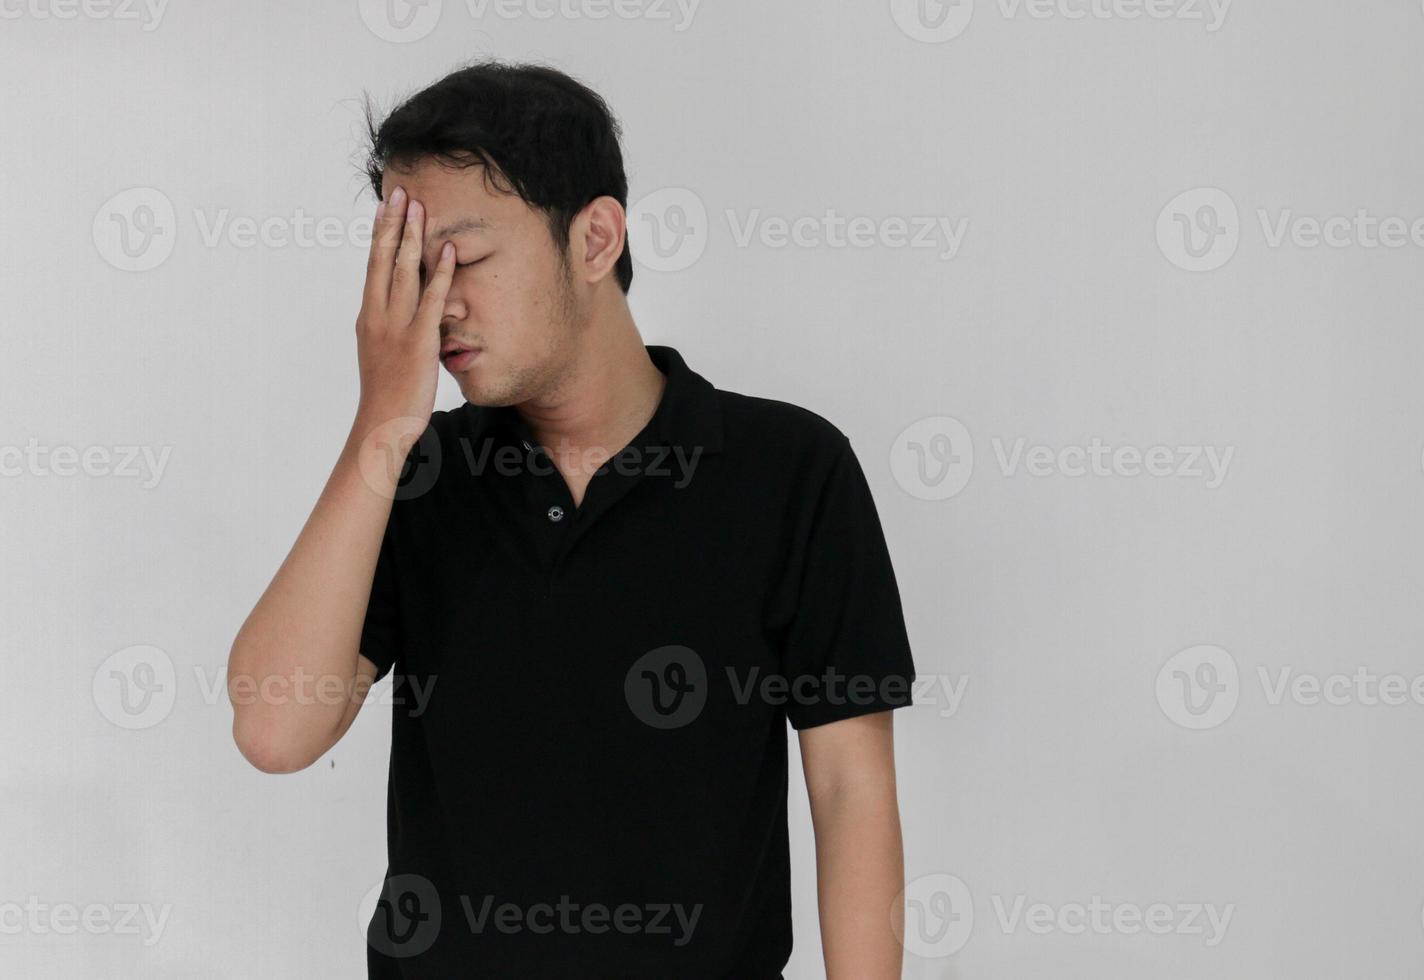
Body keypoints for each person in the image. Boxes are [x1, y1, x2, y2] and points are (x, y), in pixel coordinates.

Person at [227, 60, 916, 979]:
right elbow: (276, 732)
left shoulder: (788, 468)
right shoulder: (415, 474)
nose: (437, 305)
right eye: (408, 267)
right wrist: (383, 423)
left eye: (462, 259)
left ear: (595, 240)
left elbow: (849, 790)